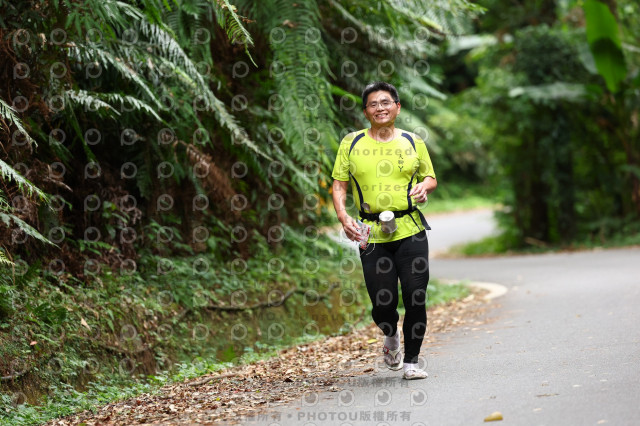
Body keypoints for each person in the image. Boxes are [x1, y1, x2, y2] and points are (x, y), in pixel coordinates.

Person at [331, 81, 437, 380]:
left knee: (416, 294)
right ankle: (390, 334)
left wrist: (424, 187)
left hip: (411, 229)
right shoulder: (351, 143)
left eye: (386, 102)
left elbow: (430, 177)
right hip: (372, 233)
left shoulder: (413, 141)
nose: (380, 108)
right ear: (366, 112)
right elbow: (339, 184)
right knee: (382, 302)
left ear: (397, 107)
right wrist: (343, 216)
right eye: (373, 104)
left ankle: (412, 362)